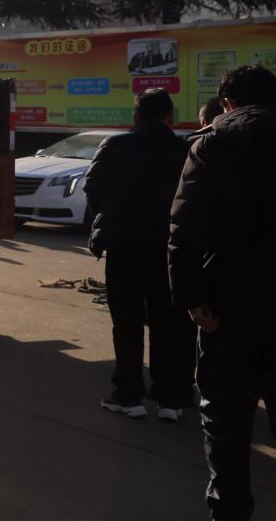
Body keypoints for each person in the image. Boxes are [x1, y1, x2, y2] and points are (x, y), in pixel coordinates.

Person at [169, 65, 276, 520]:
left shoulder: (211, 144)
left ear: (228, 103)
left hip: (227, 305)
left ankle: (229, 512)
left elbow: (184, 228)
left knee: (225, 422)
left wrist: (191, 297)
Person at [84, 88, 194, 421]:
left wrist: (112, 216)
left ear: (135, 117)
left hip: (123, 246)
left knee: (127, 321)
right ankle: (169, 399)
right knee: (167, 323)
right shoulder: (184, 150)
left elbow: (92, 188)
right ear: (170, 118)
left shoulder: (115, 146)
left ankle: (128, 395)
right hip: (167, 248)